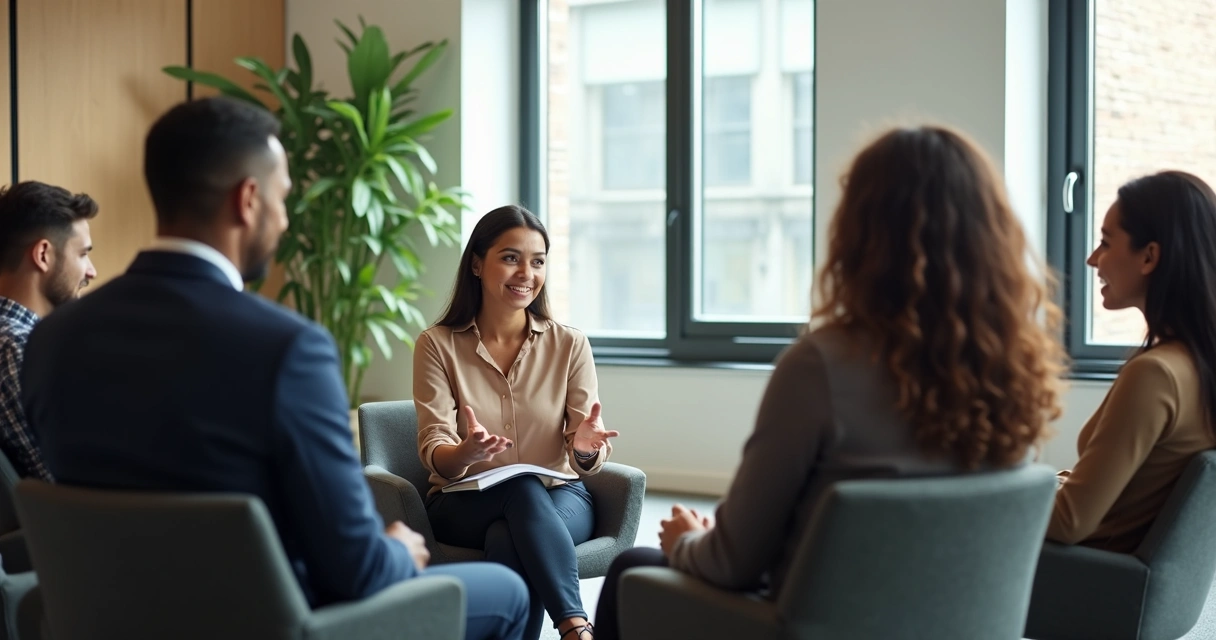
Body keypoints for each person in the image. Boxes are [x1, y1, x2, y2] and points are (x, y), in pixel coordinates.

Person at [21, 97, 528, 640]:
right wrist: (400, 551)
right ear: (249, 199)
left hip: (106, 621)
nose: (285, 220)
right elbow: (357, 569)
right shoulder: (287, 349)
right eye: (283, 199)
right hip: (276, 623)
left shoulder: (52, 338)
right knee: (508, 592)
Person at [593, 125, 1068, 639]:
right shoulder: (1015, 368)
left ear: (860, 234)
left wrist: (688, 540)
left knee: (630, 569)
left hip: (808, 624)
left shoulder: (820, 366)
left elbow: (734, 564)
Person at [414, 204, 619, 640]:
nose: (526, 272)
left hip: (560, 497)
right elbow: (435, 449)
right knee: (518, 491)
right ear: (476, 263)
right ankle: (575, 627)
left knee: (511, 533)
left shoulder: (570, 344)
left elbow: (588, 456)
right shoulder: (436, 345)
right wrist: (464, 452)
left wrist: (584, 447)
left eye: (538, 261)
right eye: (511, 257)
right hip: (464, 502)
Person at [1047, 170, 1216, 552]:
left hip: (1076, 576)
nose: (1092, 259)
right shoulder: (1194, 363)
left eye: (1106, 243)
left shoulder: (1157, 375)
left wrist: (996, 490)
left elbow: (1069, 522)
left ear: (1150, 256)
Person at [0, 181, 97, 482]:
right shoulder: (16, 348)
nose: (91, 271)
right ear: (43, 255)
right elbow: (64, 482)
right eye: (83, 254)